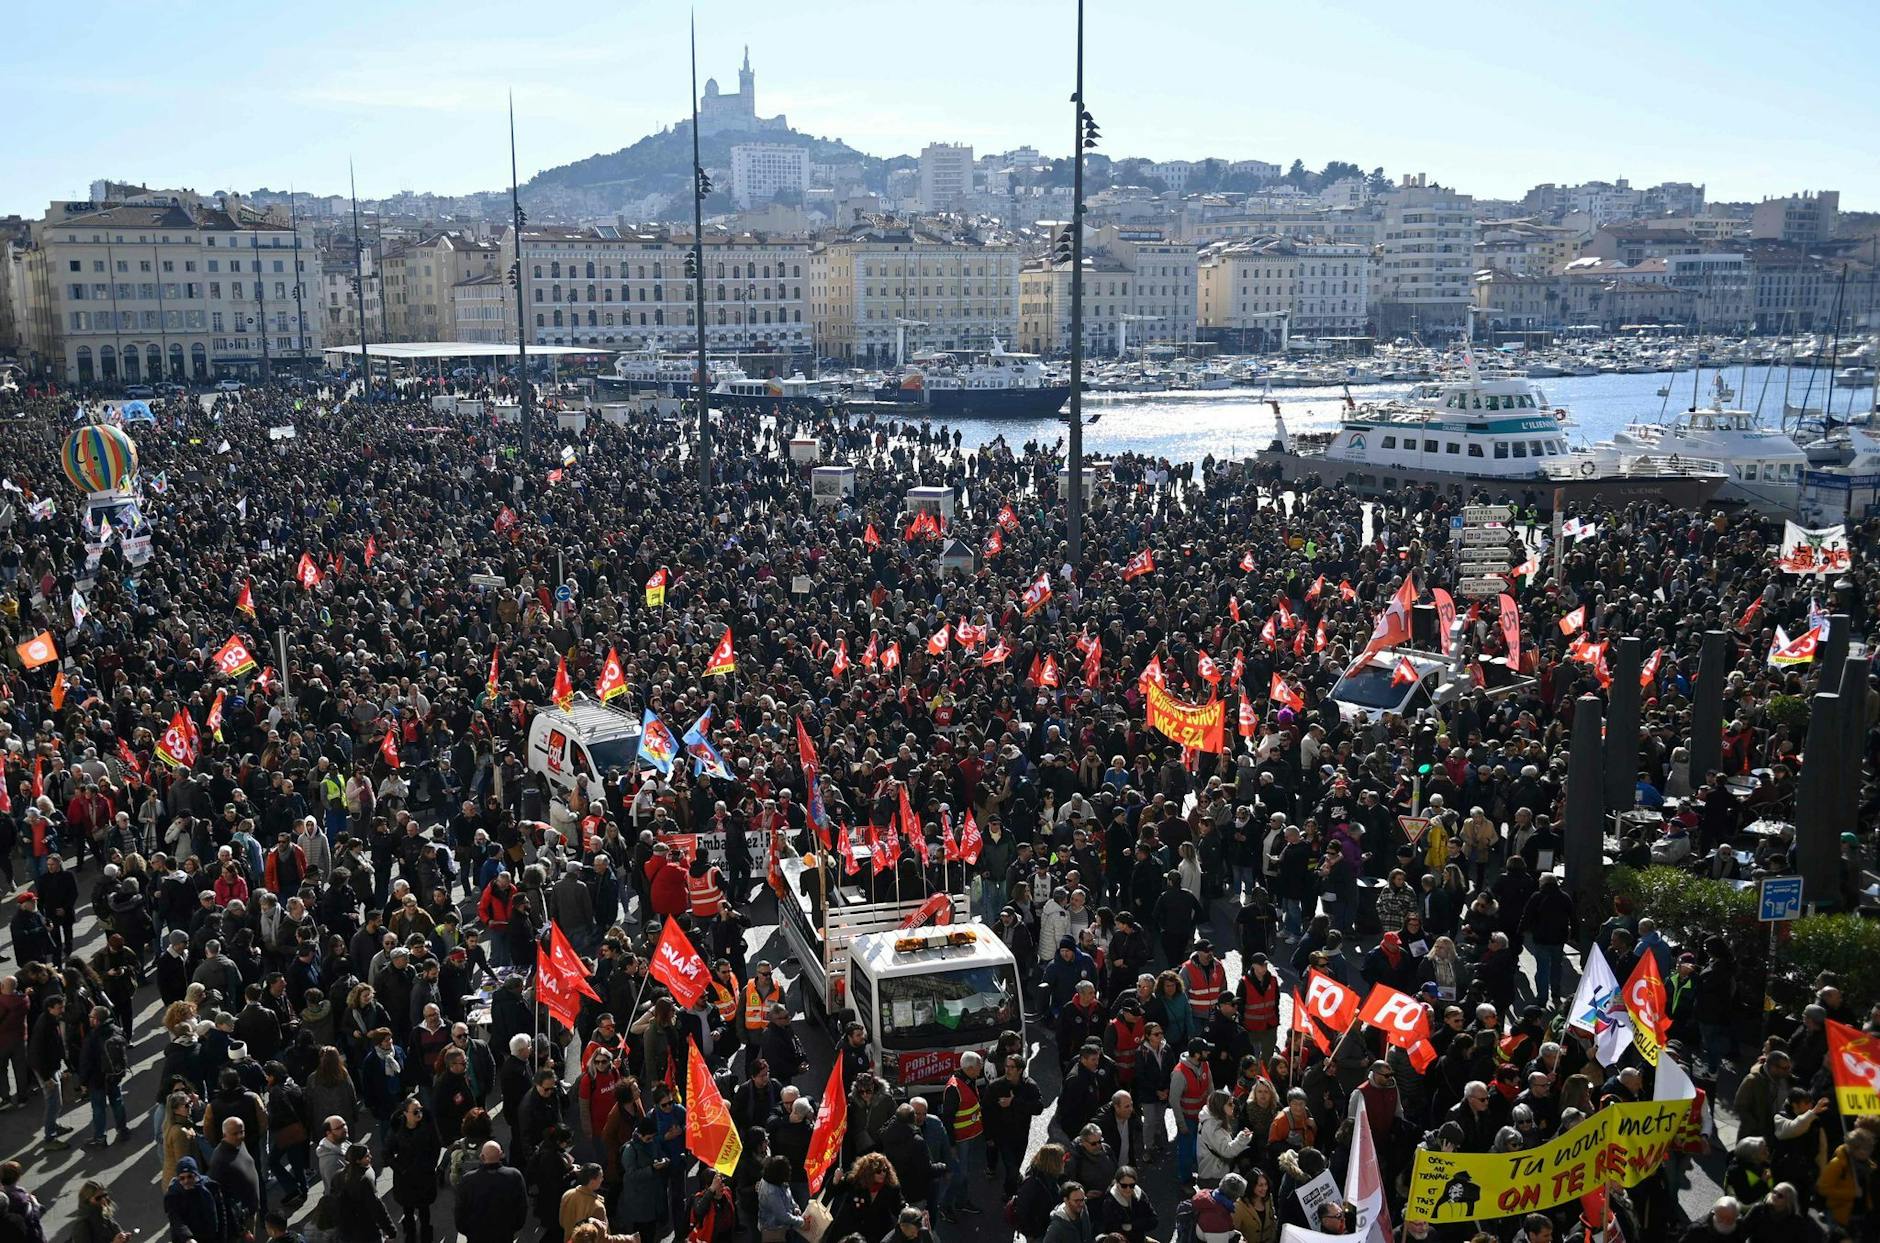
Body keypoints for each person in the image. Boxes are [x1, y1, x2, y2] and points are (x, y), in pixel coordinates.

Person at [385, 1096, 443, 1243]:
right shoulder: (397, 1128)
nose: (419, 1113)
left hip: (424, 1174)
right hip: (405, 1177)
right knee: (408, 1208)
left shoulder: (428, 1125)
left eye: (420, 1110)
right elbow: (387, 1153)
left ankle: (425, 1231)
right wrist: (400, 1168)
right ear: (405, 1113)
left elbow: (436, 1146)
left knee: (424, 1208)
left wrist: (431, 1165)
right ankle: (410, 1232)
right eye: (415, 1111)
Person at [76, 1004, 131, 1147]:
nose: (89, 1018)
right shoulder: (116, 1029)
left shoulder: (93, 1037)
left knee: (99, 1108)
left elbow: (86, 1062)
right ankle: (123, 1130)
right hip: (114, 1074)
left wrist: (83, 1082)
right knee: (117, 1102)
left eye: (91, 1016)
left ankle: (100, 1138)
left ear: (97, 1020)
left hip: (97, 1079)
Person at [455, 1141, 531, 1243]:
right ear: (501, 1155)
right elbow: (522, 1206)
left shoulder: (468, 1179)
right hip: (504, 1234)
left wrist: (468, 1231)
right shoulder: (514, 1176)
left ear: (482, 1157)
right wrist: (513, 1228)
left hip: (476, 1235)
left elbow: (460, 1210)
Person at [164, 1156, 226, 1243]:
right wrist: (188, 1238)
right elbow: (175, 1219)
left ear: (196, 1175)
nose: (186, 1181)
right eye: (182, 1178)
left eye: (190, 1176)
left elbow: (221, 1214)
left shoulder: (210, 1187)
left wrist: (222, 1238)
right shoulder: (173, 1194)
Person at [756, 1153, 806, 1243]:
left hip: (784, 1229)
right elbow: (782, 1216)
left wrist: (794, 1207)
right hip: (773, 1231)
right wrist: (802, 1222)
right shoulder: (771, 1192)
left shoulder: (779, 1180)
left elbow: (788, 1193)